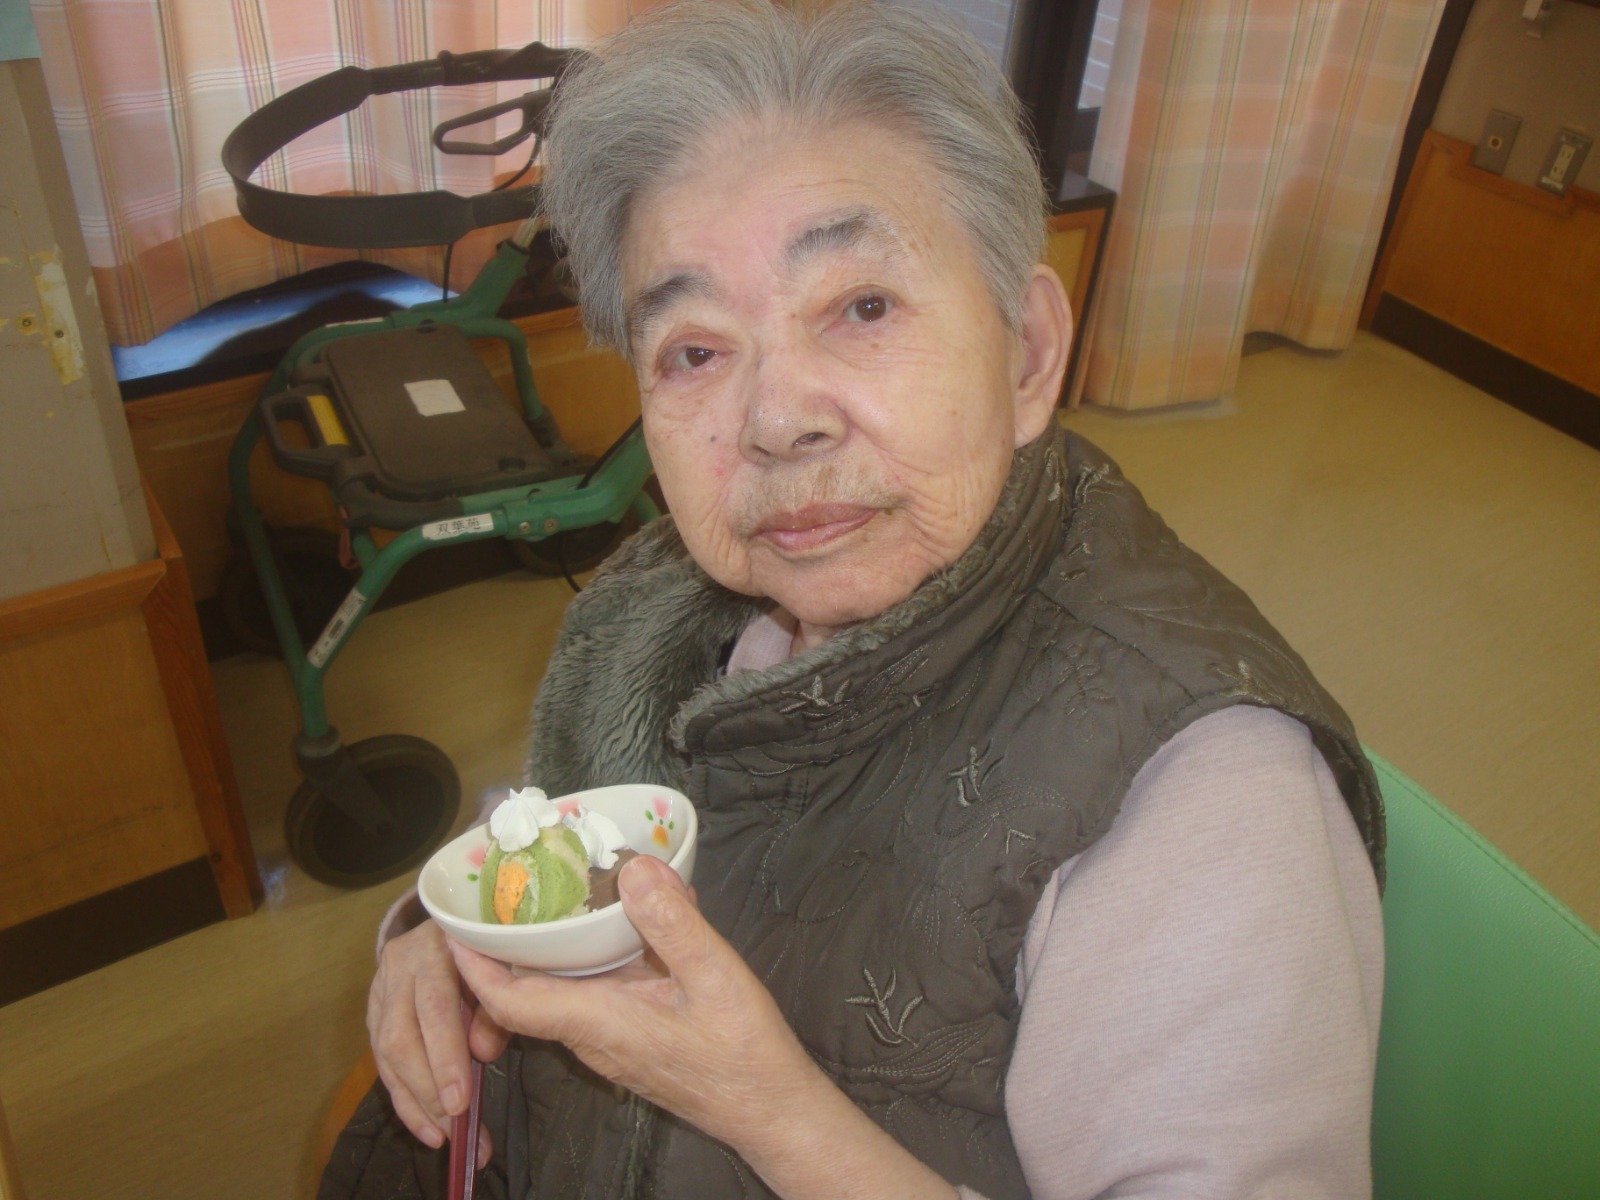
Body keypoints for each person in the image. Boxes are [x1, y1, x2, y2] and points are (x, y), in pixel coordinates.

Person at [321, 2, 1385, 1197]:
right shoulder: (657, 603)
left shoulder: (1204, 796)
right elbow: (556, 830)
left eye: (862, 307)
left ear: (1028, 353)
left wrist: (774, 1117)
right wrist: (450, 934)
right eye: (695, 351)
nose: (776, 420)